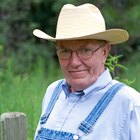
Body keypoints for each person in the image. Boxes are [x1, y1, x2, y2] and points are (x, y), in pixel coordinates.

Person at [33, 3, 140, 140]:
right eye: (65, 51)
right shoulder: (53, 92)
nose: (74, 62)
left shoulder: (130, 104)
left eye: (85, 51)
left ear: (105, 51)